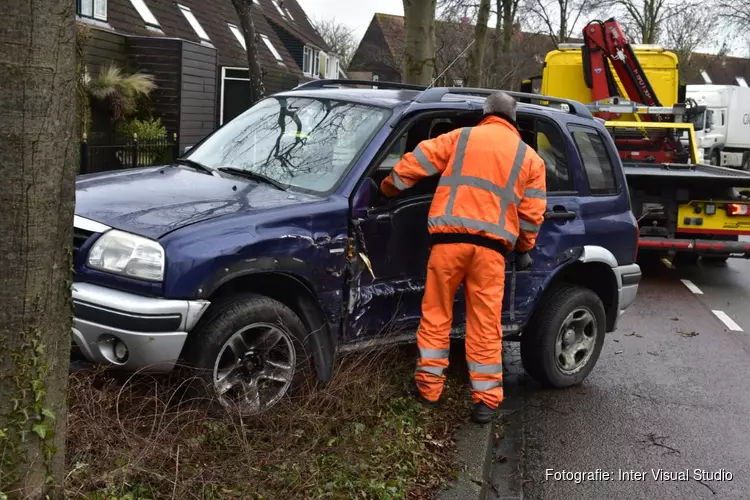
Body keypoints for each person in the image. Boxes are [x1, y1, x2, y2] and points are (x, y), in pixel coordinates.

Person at [380, 92, 547, 424]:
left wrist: (388, 187)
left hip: (448, 244)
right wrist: (524, 248)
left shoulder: (462, 137)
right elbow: (531, 216)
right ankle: (486, 401)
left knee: (436, 314)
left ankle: (429, 391)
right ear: (514, 119)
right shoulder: (531, 160)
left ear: (485, 113)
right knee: (485, 325)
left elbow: (416, 162)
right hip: (491, 254)